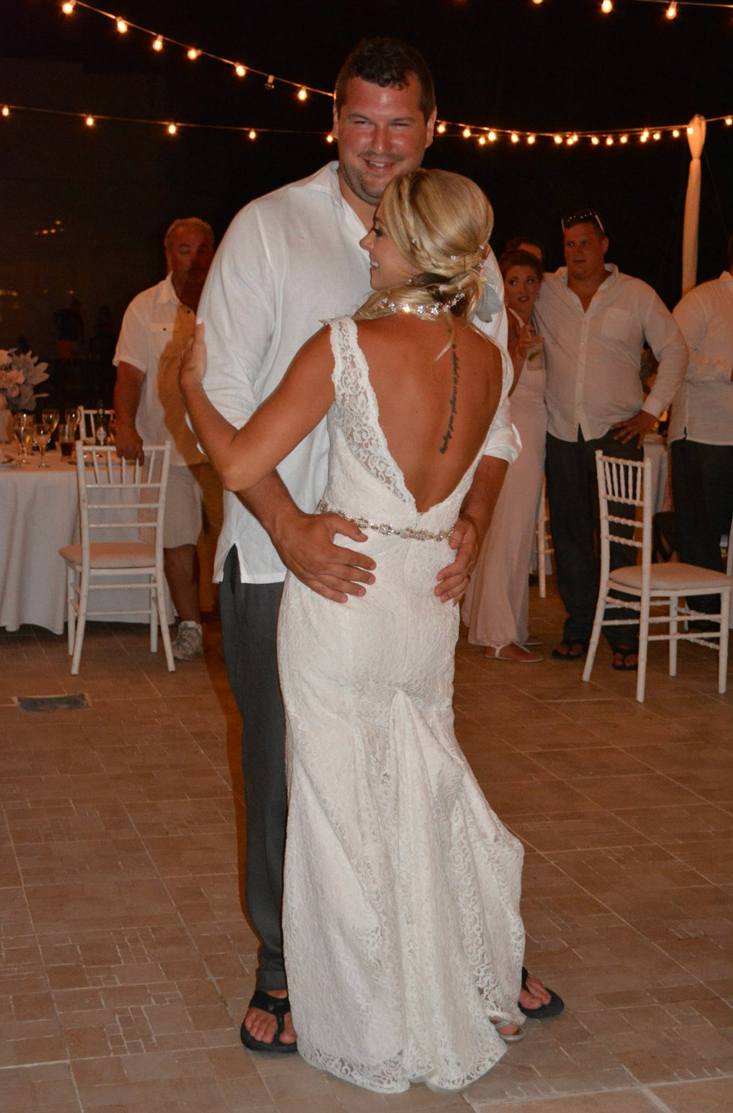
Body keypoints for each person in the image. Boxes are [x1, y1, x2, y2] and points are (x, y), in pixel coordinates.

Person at [198, 37, 558, 1052]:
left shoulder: (466, 248)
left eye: (399, 123)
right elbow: (222, 398)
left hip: (403, 574)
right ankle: (285, 967)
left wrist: (478, 519)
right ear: (334, 122)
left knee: (414, 766)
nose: (379, 143)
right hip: (279, 556)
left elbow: (492, 421)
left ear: (430, 128)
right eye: (361, 119)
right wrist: (288, 525)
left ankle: (453, 947)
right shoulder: (267, 229)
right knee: (285, 779)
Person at [534, 209, 688, 670]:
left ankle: (623, 630)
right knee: (571, 535)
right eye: (568, 244)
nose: (576, 251)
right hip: (561, 431)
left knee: (621, 538)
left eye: (584, 242)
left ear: (604, 245)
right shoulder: (546, 291)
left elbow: (675, 350)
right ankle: (580, 626)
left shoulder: (637, 294)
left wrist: (650, 412)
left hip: (618, 434)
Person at [113, 218, 223, 661]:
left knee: (232, 538)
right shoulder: (144, 307)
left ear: (213, 253)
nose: (194, 258)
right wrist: (125, 424)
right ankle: (190, 626)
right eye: (184, 249)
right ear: (168, 253)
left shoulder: (227, 300)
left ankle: (236, 625)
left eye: (201, 249)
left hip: (223, 447)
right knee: (176, 540)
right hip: (166, 445)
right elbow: (129, 372)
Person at [463, 249, 548, 662]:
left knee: (515, 533)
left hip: (533, 433)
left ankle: (506, 623)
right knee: (508, 535)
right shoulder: (509, 327)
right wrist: (519, 352)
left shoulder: (527, 323)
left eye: (530, 281)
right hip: (516, 436)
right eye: (513, 282)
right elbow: (503, 391)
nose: (522, 290)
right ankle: (497, 633)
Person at [670, 235, 733, 618]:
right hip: (702, 437)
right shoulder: (703, 299)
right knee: (702, 534)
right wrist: (727, 371)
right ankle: (706, 615)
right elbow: (674, 357)